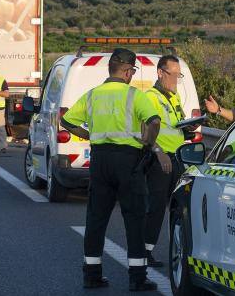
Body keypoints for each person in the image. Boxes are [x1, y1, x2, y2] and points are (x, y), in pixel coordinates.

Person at [60, 48, 161, 291]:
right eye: (132, 71)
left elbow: (66, 121)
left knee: (96, 218)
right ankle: (137, 278)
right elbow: (154, 122)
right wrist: (148, 141)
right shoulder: (135, 95)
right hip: (129, 161)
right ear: (127, 71)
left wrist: (88, 135)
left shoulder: (92, 95)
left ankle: (91, 275)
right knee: (134, 218)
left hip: (100, 160)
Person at [143, 54, 191, 268]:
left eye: (179, 76)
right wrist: (159, 152)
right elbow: (145, 131)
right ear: (160, 73)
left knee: (179, 208)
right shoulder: (150, 97)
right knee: (156, 207)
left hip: (178, 158)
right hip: (160, 159)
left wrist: (188, 127)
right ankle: (145, 251)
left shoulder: (174, 97)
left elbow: (175, 125)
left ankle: (180, 251)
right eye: (173, 75)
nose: (176, 80)